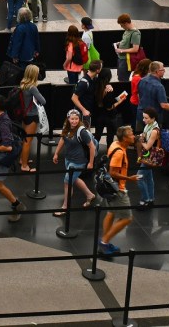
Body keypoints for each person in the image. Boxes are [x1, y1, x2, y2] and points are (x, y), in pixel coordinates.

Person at [98, 126, 139, 255]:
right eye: (131, 135)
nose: (134, 136)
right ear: (125, 138)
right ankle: (104, 241)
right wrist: (129, 178)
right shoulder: (120, 152)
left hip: (109, 189)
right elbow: (113, 172)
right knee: (127, 218)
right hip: (118, 190)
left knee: (111, 213)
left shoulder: (115, 144)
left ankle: (105, 242)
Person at [52, 109, 97, 214]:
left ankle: (65, 207)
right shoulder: (66, 127)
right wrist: (56, 153)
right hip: (68, 159)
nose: (74, 121)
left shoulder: (82, 131)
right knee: (74, 179)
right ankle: (90, 195)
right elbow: (63, 139)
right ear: (68, 119)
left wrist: (90, 163)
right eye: (72, 119)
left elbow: (92, 147)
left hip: (78, 161)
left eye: (76, 119)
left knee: (67, 182)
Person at [17, 64, 46, 172]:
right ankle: (24, 165)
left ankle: (22, 159)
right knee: (28, 141)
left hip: (24, 115)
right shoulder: (32, 87)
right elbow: (43, 101)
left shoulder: (23, 84)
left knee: (24, 139)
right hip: (32, 116)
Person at [114, 14, 143, 82]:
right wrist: (120, 43)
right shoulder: (127, 30)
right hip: (121, 58)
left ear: (126, 23)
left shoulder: (135, 33)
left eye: (122, 25)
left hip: (126, 60)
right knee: (120, 76)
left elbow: (135, 49)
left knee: (123, 79)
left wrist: (121, 51)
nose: (121, 27)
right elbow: (126, 40)